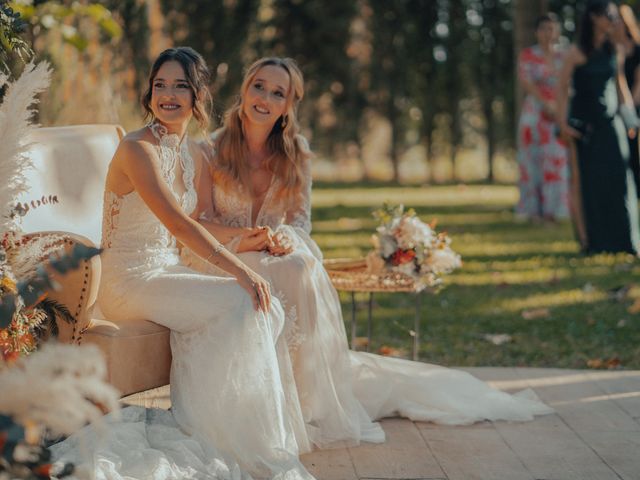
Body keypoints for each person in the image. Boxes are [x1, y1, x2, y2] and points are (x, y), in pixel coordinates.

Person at [183, 56, 554, 453]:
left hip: (277, 250)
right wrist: (251, 238)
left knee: (299, 263)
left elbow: (300, 222)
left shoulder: (297, 153)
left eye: (279, 93)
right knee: (281, 268)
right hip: (223, 254)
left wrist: (283, 238)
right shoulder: (208, 150)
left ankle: (302, 395)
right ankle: (266, 396)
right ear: (244, 89)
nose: (265, 98)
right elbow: (197, 222)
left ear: (289, 105)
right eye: (259, 86)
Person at [50, 47, 316, 480]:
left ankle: (229, 424)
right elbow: (177, 223)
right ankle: (208, 429)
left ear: (198, 95)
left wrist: (249, 242)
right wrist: (241, 269)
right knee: (240, 300)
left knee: (270, 308)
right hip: (127, 280)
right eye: (160, 85)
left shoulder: (191, 152)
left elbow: (201, 218)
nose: (168, 94)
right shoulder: (138, 149)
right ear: (149, 93)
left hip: (163, 268)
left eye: (180, 85)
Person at [557, 0, 640, 254]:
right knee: (591, 185)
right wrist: (563, 123)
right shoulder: (575, 52)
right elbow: (561, 89)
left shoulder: (614, 49)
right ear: (593, 17)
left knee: (620, 180)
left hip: (612, 123)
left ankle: (626, 242)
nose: (613, 20)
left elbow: (621, 85)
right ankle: (594, 243)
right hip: (586, 127)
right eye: (609, 15)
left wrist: (631, 121)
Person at [516, 13, 570, 223]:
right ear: (537, 32)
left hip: (558, 112)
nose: (548, 33)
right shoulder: (528, 55)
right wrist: (545, 103)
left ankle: (555, 210)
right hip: (535, 113)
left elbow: (567, 84)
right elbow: (527, 82)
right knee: (532, 161)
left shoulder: (563, 56)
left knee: (556, 160)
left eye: (551, 28)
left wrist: (559, 107)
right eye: (544, 29)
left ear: (556, 31)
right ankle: (532, 211)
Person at [618, 4, 640, 197]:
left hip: (633, 104)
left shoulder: (637, 48)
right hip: (614, 106)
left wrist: (628, 107)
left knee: (633, 148)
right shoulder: (610, 48)